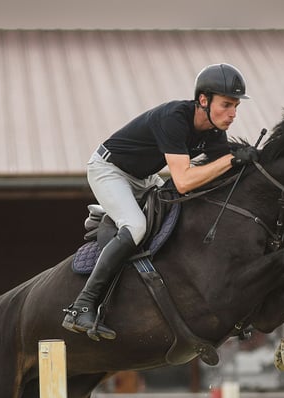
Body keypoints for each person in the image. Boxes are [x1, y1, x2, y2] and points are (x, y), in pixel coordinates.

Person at [63, 63, 258, 340]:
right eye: (226, 105)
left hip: (143, 178)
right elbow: (184, 181)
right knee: (136, 226)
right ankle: (82, 304)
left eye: (236, 106)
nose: (233, 114)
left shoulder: (214, 132)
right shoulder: (174, 117)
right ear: (203, 100)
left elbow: (218, 176)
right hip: (109, 170)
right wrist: (231, 159)